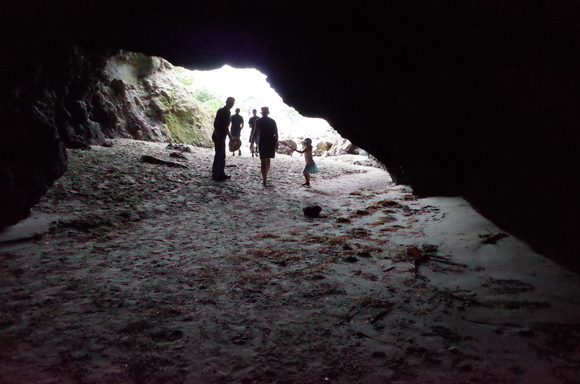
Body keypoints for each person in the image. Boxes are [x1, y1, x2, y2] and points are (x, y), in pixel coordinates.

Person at [250, 107, 278, 185]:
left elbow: (255, 133)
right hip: (270, 141)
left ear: (262, 113)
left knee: (263, 160)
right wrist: (276, 143)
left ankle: (264, 178)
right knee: (268, 159)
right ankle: (265, 176)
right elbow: (276, 134)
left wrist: (252, 143)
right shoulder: (272, 121)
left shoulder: (258, 121)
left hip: (263, 141)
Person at [212, 97, 234, 181]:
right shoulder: (222, 111)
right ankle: (219, 174)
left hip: (221, 135)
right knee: (220, 155)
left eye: (232, 102)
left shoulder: (226, 112)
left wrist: (229, 136)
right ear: (227, 102)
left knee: (219, 155)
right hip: (219, 135)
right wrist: (217, 132)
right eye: (230, 102)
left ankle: (217, 173)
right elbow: (216, 122)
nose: (231, 104)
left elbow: (226, 126)